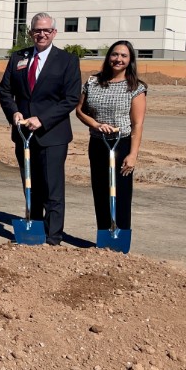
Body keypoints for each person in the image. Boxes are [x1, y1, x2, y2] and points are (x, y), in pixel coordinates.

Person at [0, 13, 82, 245]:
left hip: (52, 135)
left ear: (54, 33)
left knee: (52, 188)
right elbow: (4, 91)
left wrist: (42, 119)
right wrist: (13, 111)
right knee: (30, 185)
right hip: (24, 134)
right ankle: (33, 233)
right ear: (31, 32)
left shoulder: (67, 60)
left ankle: (53, 237)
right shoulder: (18, 58)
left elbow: (71, 98)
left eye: (46, 30)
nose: (41, 34)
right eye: (37, 30)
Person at [75, 40, 147, 233]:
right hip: (98, 144)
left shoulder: (136, 88)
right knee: (100, 191)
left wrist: (133, 155)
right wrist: (96, 125)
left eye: (124, 56)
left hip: (121, 144)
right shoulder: (93, 82)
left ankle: (120, 235)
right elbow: (80, 111)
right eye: (115, 54)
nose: (118, 59)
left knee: (121, 192)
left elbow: (137, 124)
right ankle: (104, 233)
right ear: (109, 57)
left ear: (130, 60)